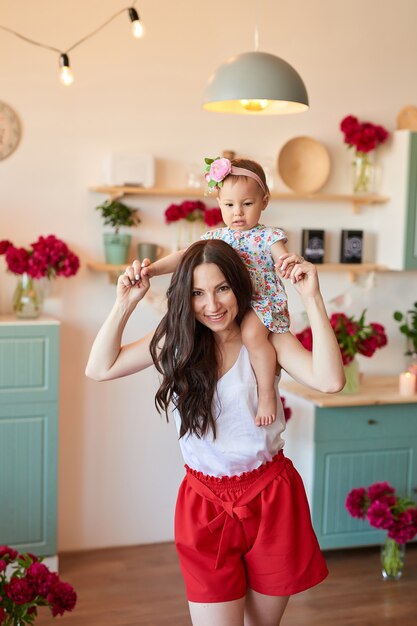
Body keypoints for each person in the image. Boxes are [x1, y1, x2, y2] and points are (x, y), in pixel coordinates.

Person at [86, 239, 345, 626]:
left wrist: (312, 298)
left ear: (239, 285)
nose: (213, 305)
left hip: (271, 497)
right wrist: (126, 302)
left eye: (222, 288)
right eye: (197, 293)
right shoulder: (177, 339)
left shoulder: (268, 337)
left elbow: (329, 380)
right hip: (204, 503)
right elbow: (100, 368)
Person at [142, 157, 299, 427]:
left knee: (251, 334)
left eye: (247, 204)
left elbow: (281, 256)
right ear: (219, 203)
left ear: (264, 201)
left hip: (259, 304)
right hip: (234, 302)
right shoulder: (218, 237)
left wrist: (289, 264)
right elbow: (183, 256)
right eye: (229, 205)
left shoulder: (268, 236)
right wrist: (152, 270)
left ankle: (266, 394)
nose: (238, 212)